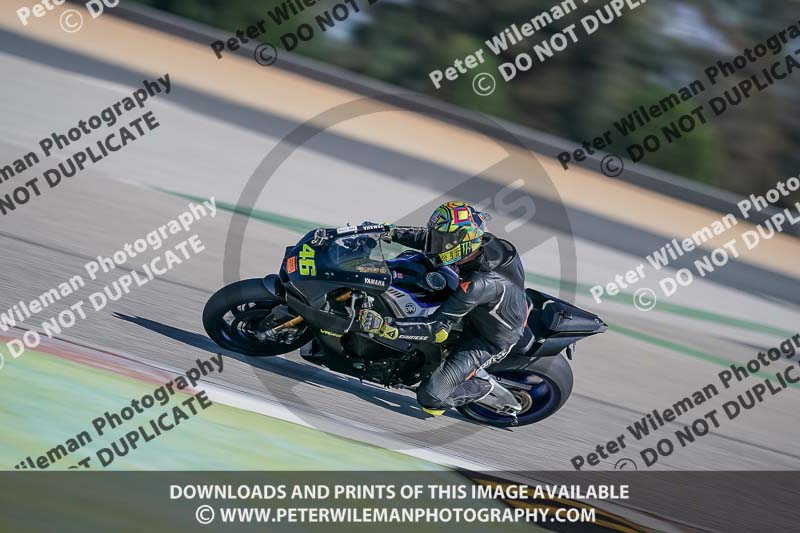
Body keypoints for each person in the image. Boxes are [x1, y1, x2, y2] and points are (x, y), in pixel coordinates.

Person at [357, 201, 529, 416]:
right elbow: (428, 240)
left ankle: (482, 385)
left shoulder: (479, 284)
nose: (437, 243)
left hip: (487, 339)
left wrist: (389, 328)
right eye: (438, 237)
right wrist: (389, 232)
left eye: (443, 240)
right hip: (480, 305)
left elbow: (437, 329)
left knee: (431, 400)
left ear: (463, 242)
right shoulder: (481, 243)